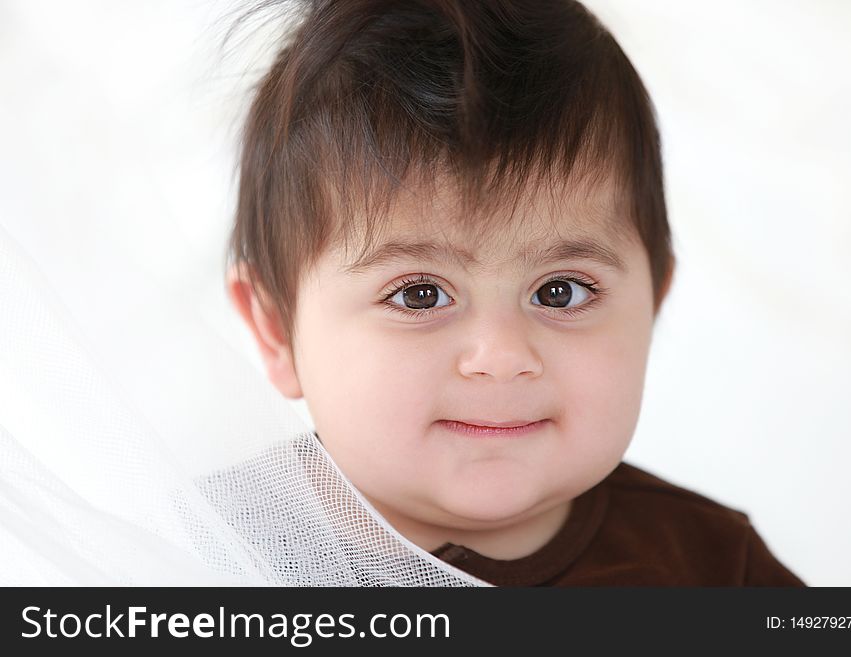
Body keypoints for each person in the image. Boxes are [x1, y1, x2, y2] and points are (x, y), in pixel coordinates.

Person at [225, 0, 804, 586]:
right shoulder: (202, 559)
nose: (502, 357)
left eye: (560, 292)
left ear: (653, 303)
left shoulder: (713, 568)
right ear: (276, 330)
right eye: (420, 295)